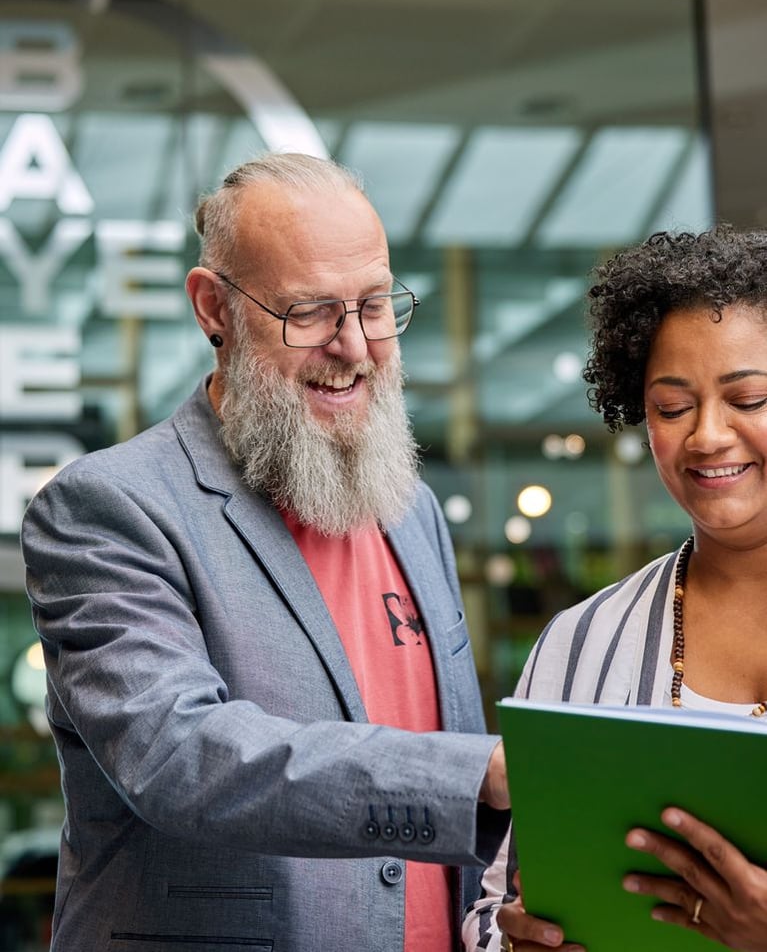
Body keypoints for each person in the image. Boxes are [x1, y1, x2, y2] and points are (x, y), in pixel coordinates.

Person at [21, 152, 509, 952]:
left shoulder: (411, 506)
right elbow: (177, 755)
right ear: (214, 307)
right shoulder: (106, 507)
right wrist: (473, 774)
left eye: (375, 304)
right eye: (309, 312)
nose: (353, 346)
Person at [463, 224, 767, 952]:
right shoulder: (581, 642)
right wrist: (514, 941)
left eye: (748, 398)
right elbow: (495, 907)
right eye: (671, 407)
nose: (706, 436)